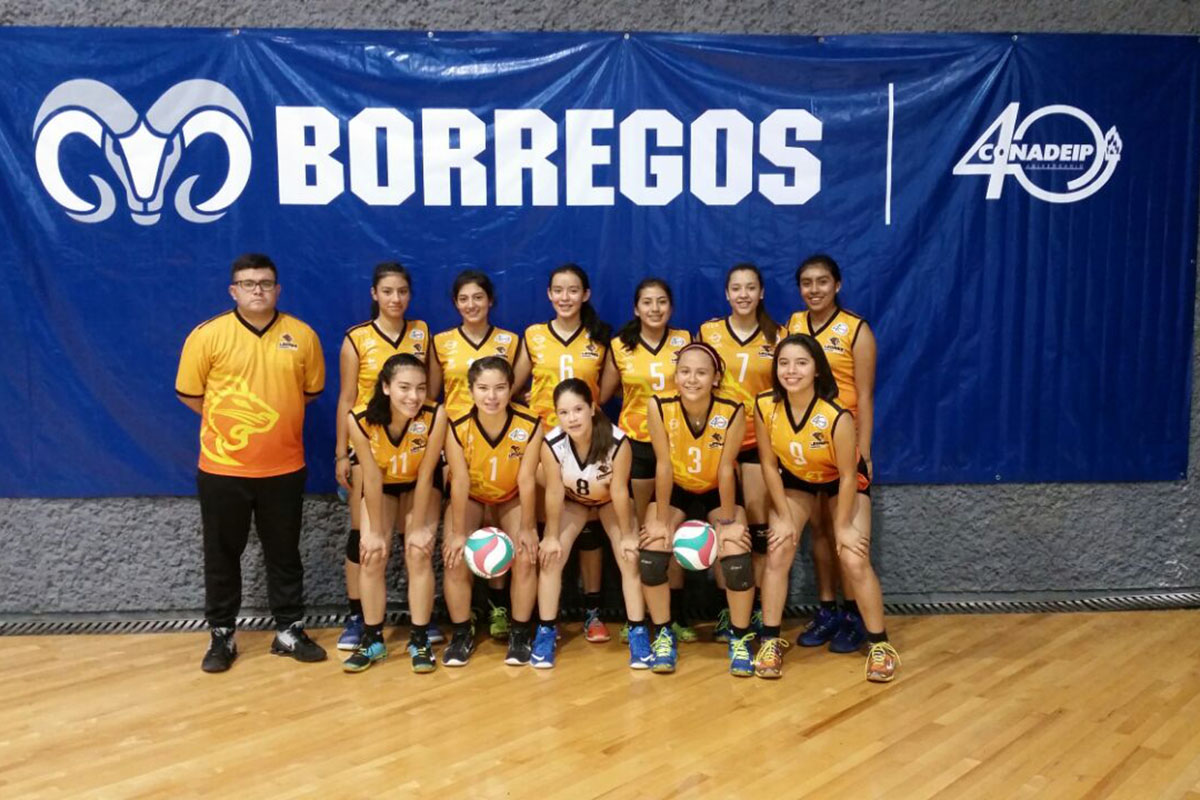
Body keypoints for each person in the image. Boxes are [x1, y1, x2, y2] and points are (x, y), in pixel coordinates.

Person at [175, 253, 326, 673]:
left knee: (285, 553)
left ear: (278, 289)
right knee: (222, 555)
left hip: (285, 468)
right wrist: (231, 424)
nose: (257, 290)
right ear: (233, 290)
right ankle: (222, 635)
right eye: (248, 283)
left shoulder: (302, 335)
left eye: (265, 283)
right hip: (223, 471)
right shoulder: (207, 336)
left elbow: (309, 391)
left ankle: (289, 630)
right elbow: (190, 394)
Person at [755, 334, 898, 681]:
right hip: (797, 479)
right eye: (784, 363)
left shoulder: (836, 415)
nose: (791, 371)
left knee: (852, 555)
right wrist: (786, 518)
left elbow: (849, 475)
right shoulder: (764, 406)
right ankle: (770, 642)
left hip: (840, 480)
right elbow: (769, 466)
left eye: (801, 363)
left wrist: (844, 525)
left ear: (817, 369)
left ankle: (880, 645)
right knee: (778, 549)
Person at [333, 262, 435, 652]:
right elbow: (346, 398)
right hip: (369, 444)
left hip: (412, 442)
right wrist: (342, 453)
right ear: (375, 294)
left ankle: (418, 623)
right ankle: (358, 616)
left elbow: (429, 389)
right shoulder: (356, 338)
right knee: (365, 536)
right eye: (387, 291)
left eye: (402, 292)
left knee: (416, 540)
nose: (396, 299)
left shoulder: (421, 332)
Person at [514, 264, 613, 644]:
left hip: (587, 442)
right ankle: (548, 618)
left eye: (573, 290)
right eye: (558, 290)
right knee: (547, 529)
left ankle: (592, 611)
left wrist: (583, 423)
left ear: (585, 294)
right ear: (549, 295)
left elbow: (602, 395)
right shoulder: (534, 335)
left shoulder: (600, 337)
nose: (566, 297)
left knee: (587, 528)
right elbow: (514, 384)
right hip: (544, 445)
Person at [640, 343, 753, 676]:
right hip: (676, 486)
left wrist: (730, 521)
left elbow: (725, 469)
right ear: (676, 375)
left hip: (718, 488)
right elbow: (662, 464)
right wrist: (661, 521)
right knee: (653, 550)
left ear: (716, 377)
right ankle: (663, 632)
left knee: (735, 551)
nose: (692, 379)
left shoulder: (733, 409)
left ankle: (740, 637)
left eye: (701, 372)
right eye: (685, 371)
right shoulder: (658, 406)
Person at [786, 254, 877, 653]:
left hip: (842, 447)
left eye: (822, 281)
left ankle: (856, 615)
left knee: (849, 536)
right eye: (807, 282)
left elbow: (866, 395)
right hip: (806, 446)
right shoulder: (792, 325)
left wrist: (865, 450)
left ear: (837, 285)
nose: (814, 289)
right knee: (820, 531)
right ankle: (828, 610)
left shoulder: (856, 330)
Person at [599, 278, 697, 643]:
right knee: (641, 532)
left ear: (671, 307)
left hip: (676, 448)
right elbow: (603, 397)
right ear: (635, 308)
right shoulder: (620, 346)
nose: (654, 309)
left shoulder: (686, 340)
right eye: (647, 303)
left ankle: (676, 614)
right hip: (637, 447)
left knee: (668, 529)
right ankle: (637, 614)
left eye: (661, 302)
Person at [533, 379, 651, 669]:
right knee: (551, 557)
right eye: (564, 412)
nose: (572, 418)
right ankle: (546, 630)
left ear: (593, 408)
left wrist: (626, 535)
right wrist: (550, 536)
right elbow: (554, 491)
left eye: (578, 409)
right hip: (574, 503)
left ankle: (637, 631)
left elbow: (620, 492)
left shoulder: (617, 442)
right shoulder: (552, 445)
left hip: (609, 502)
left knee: (630, 557)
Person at [430, 270, 521, 641]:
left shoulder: (510, 342)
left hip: (499, 443)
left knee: (499, 525)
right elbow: (433, 397)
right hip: (458, 446)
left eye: (478, 298)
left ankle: (499, 607)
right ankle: (461, 618)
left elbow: (516, 390)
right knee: (462, 530)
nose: (472, 305)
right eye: (464, 299)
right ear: (455, 303)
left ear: (491, 301)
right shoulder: (441, 342)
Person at [343, 354, 447, 674]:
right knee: (372, 553)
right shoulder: (359, 418)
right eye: (404, 387)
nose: (413, 396)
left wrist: (418, 525)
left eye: (420, 388)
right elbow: (371, 478)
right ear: (386, 387)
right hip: (382, 486)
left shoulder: (435, 413)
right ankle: (373, 638)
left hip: (420, 484)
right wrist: (373, 531)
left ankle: (419, 639)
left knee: (418, 550)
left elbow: (428, 472)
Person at [698, 263, 783, 643]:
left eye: (751, 287)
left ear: (761, 292)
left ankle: (763, 612)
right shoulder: (709, 331)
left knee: (760, 534)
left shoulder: (778, 335)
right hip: (719, 443)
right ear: (727, 294)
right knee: (727, 528)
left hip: (758, 443)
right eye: (736, 288)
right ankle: (726, 610)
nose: (744, 294)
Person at [441, 357, 544, 667]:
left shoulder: (530, 423)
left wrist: (528, 526)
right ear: (470, 390)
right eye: (483, 388)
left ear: (511, 388)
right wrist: (459, 533)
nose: (492, 396)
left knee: (526, 555)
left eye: (500, 388)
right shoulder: (458, 426)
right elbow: (458, 481)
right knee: (454, 556)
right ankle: (461, 633)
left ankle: (520, 632)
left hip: (510, 496)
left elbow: (526, 479)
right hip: (472, 497)